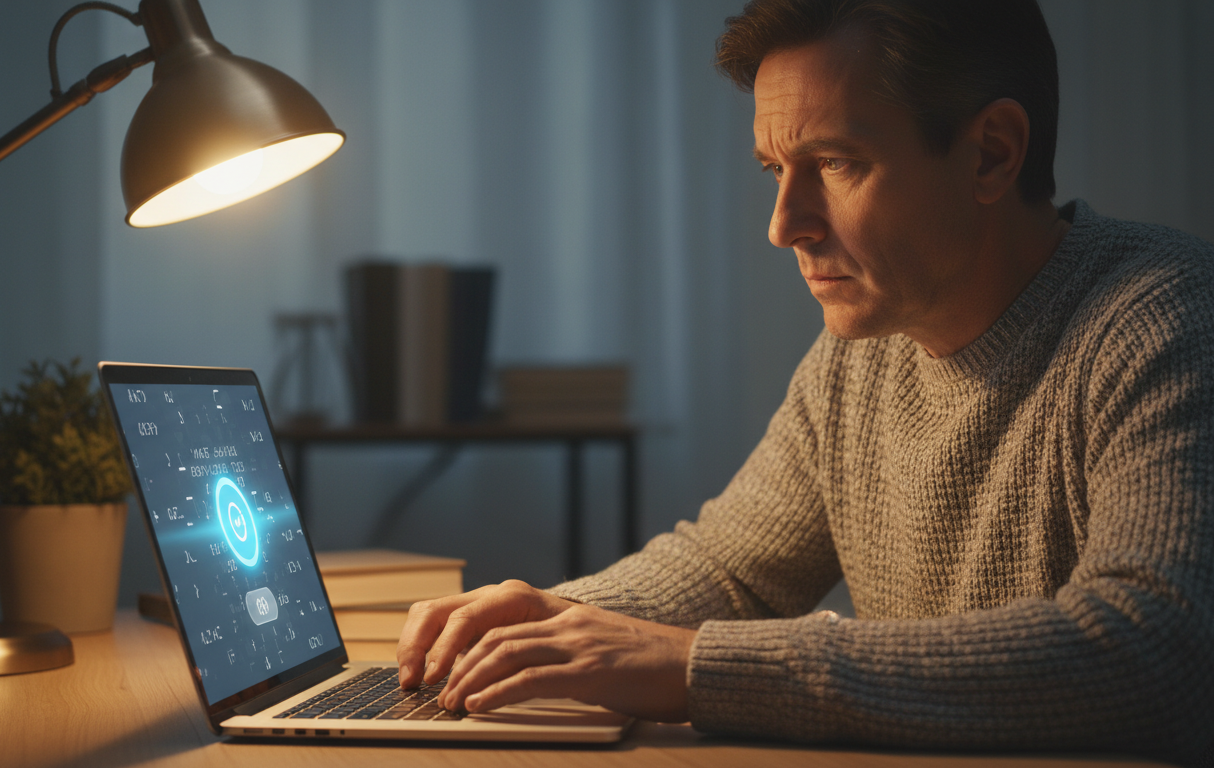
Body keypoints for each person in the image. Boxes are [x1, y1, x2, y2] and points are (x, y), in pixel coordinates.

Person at [397, 0, 1214, 762]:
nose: (784, 223)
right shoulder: (862, 355)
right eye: (773, 170)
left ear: (993, 152)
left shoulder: (1162, 317)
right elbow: (735, 572)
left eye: (835, 161)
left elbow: (1153, 648)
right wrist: (550, 617)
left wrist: (692, 666)